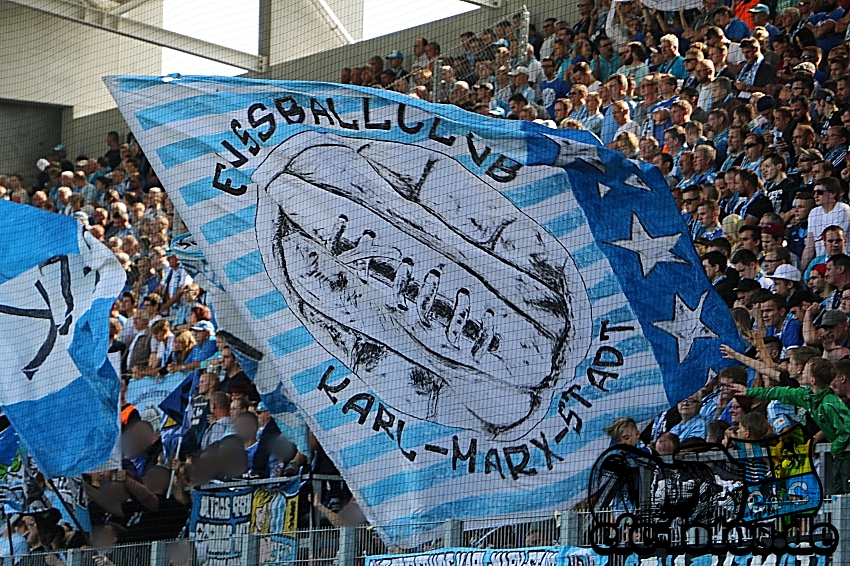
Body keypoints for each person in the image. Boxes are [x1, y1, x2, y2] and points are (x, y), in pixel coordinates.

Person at [729, 357, 850, 494]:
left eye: (805, 371)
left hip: (846, 455)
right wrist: (749, 392)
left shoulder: (830, 403)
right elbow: (779, 392)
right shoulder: (806, 396)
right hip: (840, 456)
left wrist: (835, 449)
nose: (802, 371)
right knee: (839, 496)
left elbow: (847, 431)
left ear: (812, 380)